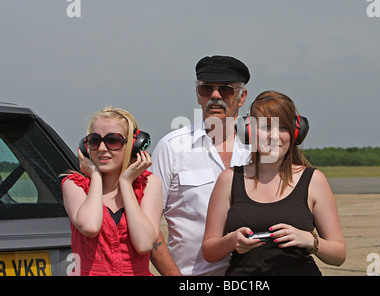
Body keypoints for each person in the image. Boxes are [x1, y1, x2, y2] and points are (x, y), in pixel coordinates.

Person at [202, 91, 346, 275]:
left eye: (284, 127)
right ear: (249, 131)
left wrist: (310, 241)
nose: (275, 136)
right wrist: (231, 241)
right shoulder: (229, 179)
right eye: (266, 127)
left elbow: (339, 255)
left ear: (296, 133)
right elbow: (209, 251)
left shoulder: (314, 180)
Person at [149, 55, 252, 276]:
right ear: (198, 95)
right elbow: (147, 225)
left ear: (242, 97)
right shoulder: (172, 147)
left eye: (226, 89)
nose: (215, 96)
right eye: (206, 89)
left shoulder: (257, 149)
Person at [62, 107, 162, 276]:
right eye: (94, 141)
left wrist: (125, 183)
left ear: (133, 145)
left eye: (113, 140)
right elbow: (90, 226)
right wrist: (95, 176)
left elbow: (144, 244)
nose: (101, 148)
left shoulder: (148, 184)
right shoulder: (73, 185)